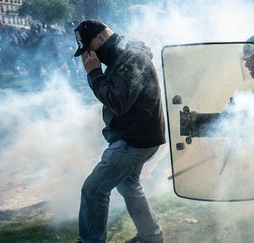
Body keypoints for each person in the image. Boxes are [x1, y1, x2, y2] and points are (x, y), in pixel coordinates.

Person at [73, 19, 165, 243]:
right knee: (129, 186)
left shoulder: (131, 57)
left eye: (89, 48)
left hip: (134, 140)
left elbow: (118, 101)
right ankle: (152, 237)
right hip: (138, 136)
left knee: (94, 190)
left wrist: (94, 73)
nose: (89, 55)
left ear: (101, 38)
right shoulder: (123, 57)